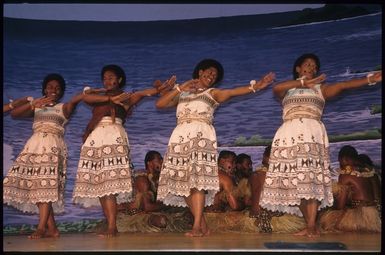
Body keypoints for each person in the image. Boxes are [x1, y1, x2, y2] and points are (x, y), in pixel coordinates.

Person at [260, 53, 382, 237]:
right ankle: (311, 224)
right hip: (288, 135)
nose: (312, 68)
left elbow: (343, 85)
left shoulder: (321, 89)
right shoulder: (288, 89)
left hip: (311, 134)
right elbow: (276, 88)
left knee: (311, 181)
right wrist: (302, 84)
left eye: (315, 66)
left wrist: (369, 79)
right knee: (294, 183)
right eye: (308, 64)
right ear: (298, 69)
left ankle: (310, 225)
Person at [156, 58, 275, 237]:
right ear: (200, 72)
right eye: (209, 72)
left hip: (201, 138)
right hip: (180, 139)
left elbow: (234, 92)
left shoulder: (214, 93)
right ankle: (203, 225)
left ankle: (197, 227)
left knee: (197, 183)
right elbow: (160, 104)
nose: (212, 76)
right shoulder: (182, 93)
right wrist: (181, 87)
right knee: (183, 184)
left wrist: (256, 86)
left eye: (215, 75)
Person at [72, 64, 173, 238]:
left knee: (109, 184)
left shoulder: (126, 97)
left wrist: (158, 90)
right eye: (104, 78)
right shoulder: (99, 97)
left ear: (119, 80)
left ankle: (112, 227)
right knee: (100, 186)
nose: (107, 81)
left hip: (113, 136)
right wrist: (108, 99)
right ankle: (111, 225)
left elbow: (142, 93)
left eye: (111, 77)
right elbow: (84, 97)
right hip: (95, 139)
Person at [3, 73, 83, 239]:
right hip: (34, 146)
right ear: (45, 89)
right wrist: (33, 104)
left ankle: (41, 228)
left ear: (61, 92)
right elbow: (14, 114)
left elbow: (75, 101)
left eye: (57, 88)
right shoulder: (37, 106)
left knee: (45, 187)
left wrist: (85, 93)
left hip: (52, 147)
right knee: (38, 187)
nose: (53, 89)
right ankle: (52, 229)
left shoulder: (63, 107)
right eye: (50, 86)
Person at [319, 145, 381, 232]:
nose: (340, 164)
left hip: (360, 218)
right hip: (375, 218)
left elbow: (340, 205)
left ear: (344, 159)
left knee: (325, 222)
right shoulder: (372, 173)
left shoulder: (345, 176)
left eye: (340, 161)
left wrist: (329, 208)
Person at [249, 145, 271, 217]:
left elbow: (256, 205)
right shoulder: (289, 176)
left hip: (266, 216)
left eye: (264, 154)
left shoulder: (258, 175)